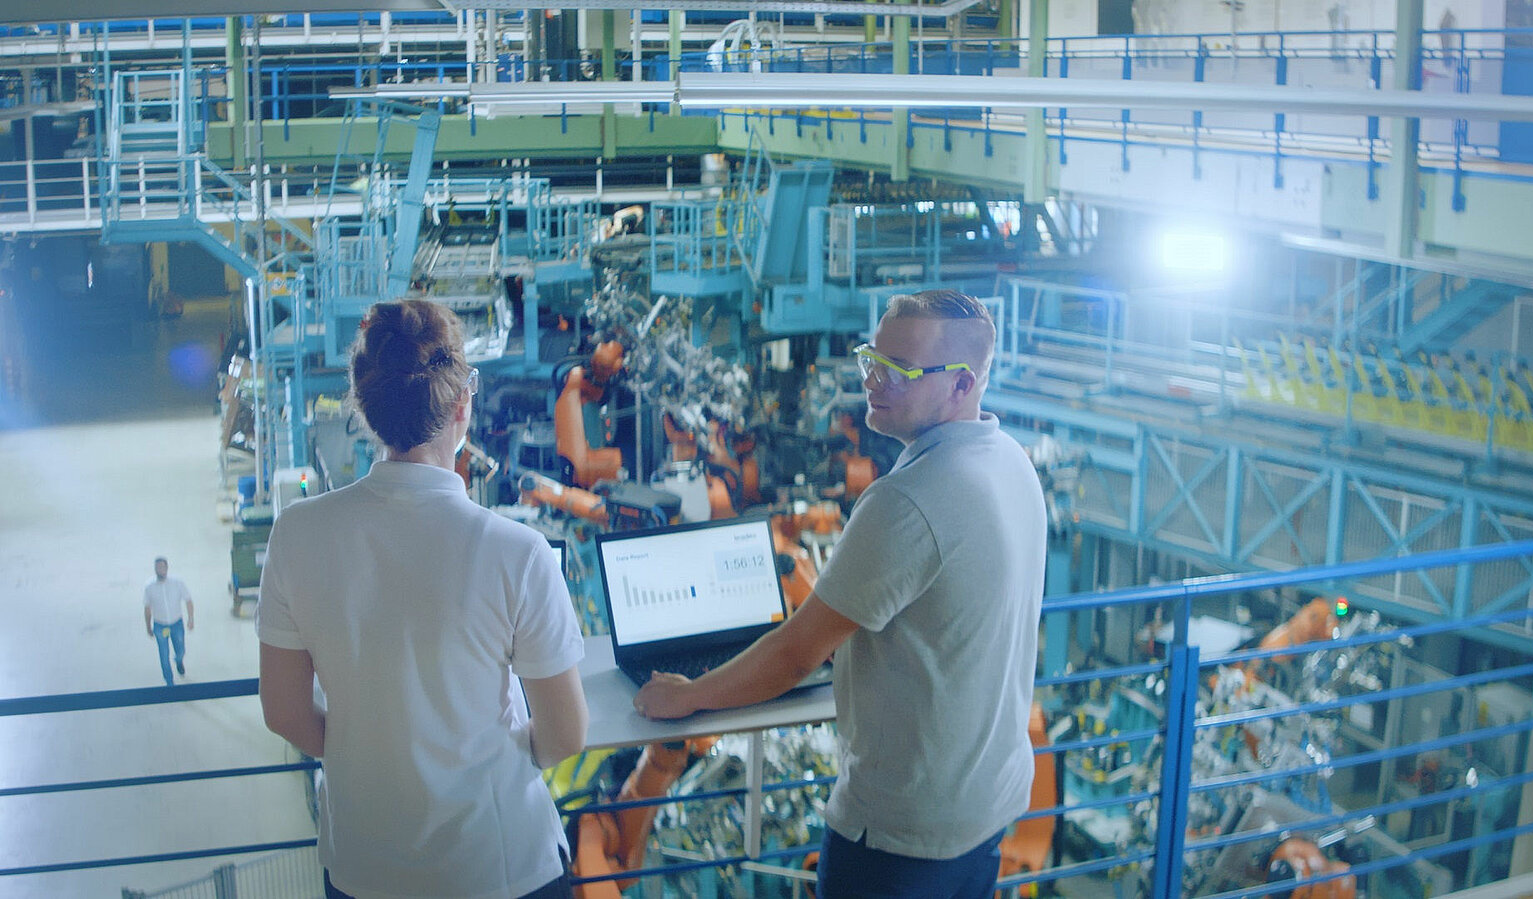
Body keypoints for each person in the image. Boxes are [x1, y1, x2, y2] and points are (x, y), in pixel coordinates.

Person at [635, 289, 1047, 899]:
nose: (873, 381)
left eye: (899, 372)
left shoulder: (907, 500)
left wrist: (692, 693)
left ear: (962, 385)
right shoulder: (1011, 460)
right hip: (985, 808)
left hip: (901, 834)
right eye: (869, 359)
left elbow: (796, 653)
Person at [256, 299, 589, 899]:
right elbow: (565, 734)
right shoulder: (517, 552)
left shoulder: (296, 535)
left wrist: (377, 757)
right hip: (501, 865)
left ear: (364, 406)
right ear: (463, 405)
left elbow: (284, 711)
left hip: (364, 868)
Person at [143, 556, 194, 687]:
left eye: (162, 567)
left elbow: (188, 600)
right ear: (155, 569)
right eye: (158, 567)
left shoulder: (177, 583)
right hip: (160, 626)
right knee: (163, 654)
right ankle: (169, 681)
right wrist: (148, 627)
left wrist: (191, 619)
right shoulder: (149, 587)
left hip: (176, 624)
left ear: (167, 568)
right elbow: (147, 608)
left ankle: (178, 660)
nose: (160, 570)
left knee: (181, 649)